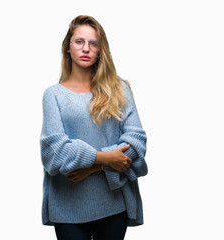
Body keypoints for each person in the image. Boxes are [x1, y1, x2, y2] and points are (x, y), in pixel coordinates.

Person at [39, 15, 148, 240]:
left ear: (101, 50)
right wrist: (107, 158)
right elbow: (54, 153)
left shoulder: (119, 89)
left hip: (114, 203)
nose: (86, 48)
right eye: (79, 41)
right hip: (67, 207)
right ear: (67, 47)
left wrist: (94, 166)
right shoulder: (54, 95)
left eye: (93, 43)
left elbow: (137, 142)